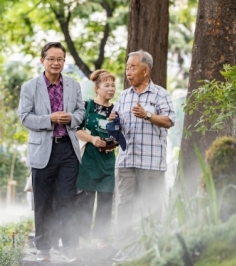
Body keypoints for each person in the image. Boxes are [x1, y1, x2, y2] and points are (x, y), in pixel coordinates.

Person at [18, 42, 85, 262]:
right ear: (42, 61)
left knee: (67, 199)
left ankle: (70, 247)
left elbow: (80, 112)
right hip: (42, 150)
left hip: (68, 149)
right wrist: (50, 119)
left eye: (60, 59)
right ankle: (43, 248)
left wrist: (71, 119)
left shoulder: (74, 85)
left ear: (64, 61)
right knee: (43, 200)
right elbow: (25, 117)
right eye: (51, 59)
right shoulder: (30, 87)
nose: (56, 63)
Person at [109, 50, 175, 260]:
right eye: (127, 68)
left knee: (151, 206)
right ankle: (125, 251)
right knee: (124, 205)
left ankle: (151, 250)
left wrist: (147, 115)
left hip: (151, 162)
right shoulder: (123, 96)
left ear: (145, 70)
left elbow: (169, 121)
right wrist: (113, 122)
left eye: (133, 67)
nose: (128, 72)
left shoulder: (161, 94)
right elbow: (118, 127)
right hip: (126, 160)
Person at [75, 70, 117, 249]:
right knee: (85, 200)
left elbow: (119, 137)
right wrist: (93, 139)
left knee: (106, 200)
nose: (111, 88)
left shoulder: (116, 110)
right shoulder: (87, 106)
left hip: (107, 161)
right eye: (107, 85)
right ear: (97, 88)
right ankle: (83, 238)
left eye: (113, 85)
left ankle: (101, 238)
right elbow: (75, 130)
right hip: (89, 160)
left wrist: (112, 141)